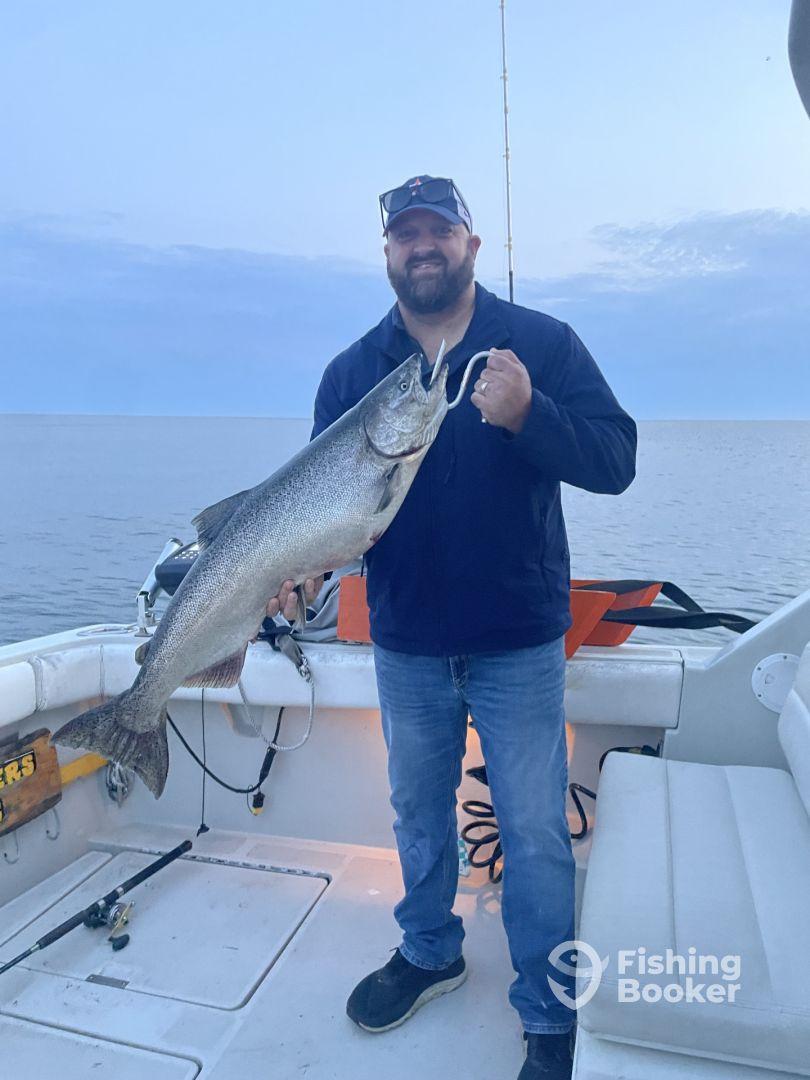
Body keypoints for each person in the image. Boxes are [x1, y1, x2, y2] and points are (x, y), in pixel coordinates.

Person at [266, 175, 637, 1080]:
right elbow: (334, 516)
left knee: (537, 830)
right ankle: (430, 951)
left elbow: (617, 458)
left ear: (471, 244)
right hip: (408, 643)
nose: (422, 246)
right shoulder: (352, 375)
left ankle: (549, 1010)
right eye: (405, 235)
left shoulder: (541, 344)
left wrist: (531, 417)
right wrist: (301, 565)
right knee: (418, 815)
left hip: (518, 641)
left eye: (439, 231)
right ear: (387, 253)